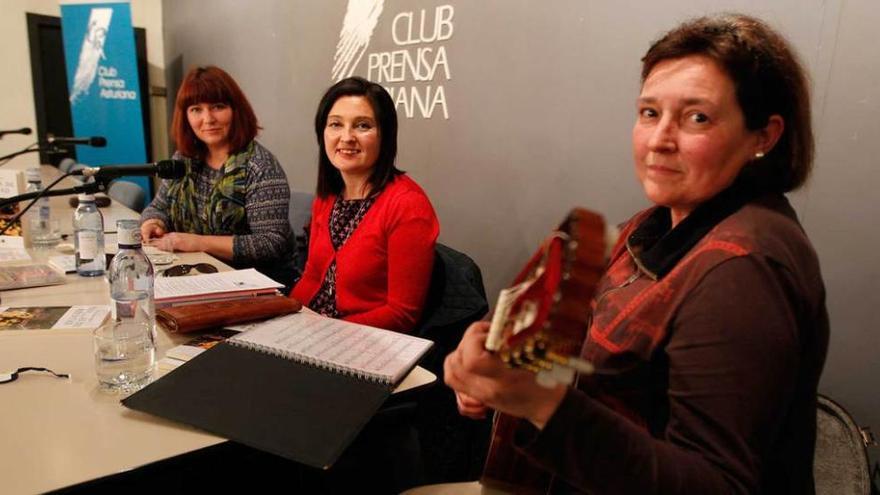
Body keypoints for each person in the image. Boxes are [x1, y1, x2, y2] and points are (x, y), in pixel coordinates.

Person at [445, 14, 828, 494]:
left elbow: (716, 485)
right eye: (649, 113)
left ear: (764, 137)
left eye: (697, 117)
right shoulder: (650, 226)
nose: (659, 141)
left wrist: (539, 402)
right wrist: (494, 360)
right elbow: (572, 354)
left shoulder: (743, 269)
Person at [291, 77, 439, 333]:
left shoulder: (408, 206)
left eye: (362, 126)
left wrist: (325, 333)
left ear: (385, 135)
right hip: (312, 332)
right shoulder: (328, 197)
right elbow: (312, 278)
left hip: (363, 344)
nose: (346, 137)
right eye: (336, 124)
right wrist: (286, 319)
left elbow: (401, 314)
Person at [141, 66, 296, 286]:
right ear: (185, 117)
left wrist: (198, 243)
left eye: (218, 107)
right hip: (198, 275)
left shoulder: (260, 167)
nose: (208, 118)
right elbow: (158, 206)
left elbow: (271, 243)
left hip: (257, 284)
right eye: (196, 109)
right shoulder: (183, 159)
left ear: (236, 110)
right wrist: (153, 222)